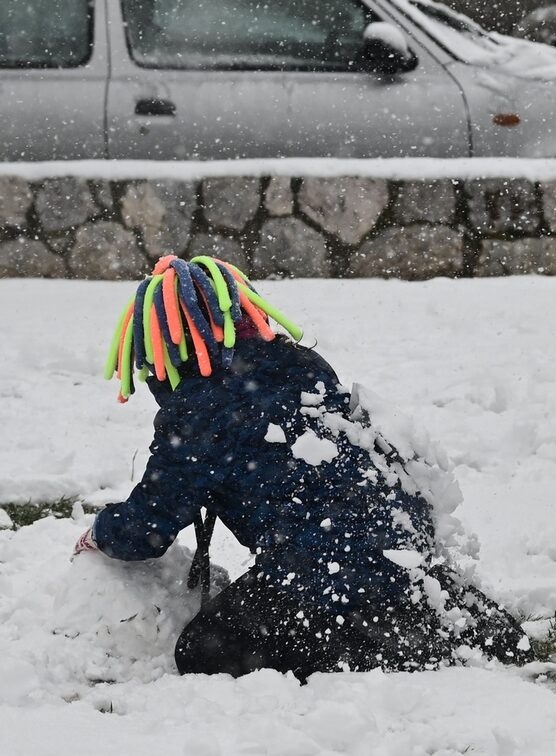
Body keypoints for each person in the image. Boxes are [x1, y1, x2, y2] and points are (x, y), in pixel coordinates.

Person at [73, 255, 530, 678]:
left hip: (317, 561)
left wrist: (99, 534)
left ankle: (374, 652)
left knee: (202, 650)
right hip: (395, 531)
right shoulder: (299, 365)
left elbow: (146, 529)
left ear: (160, 344)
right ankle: (436, 617)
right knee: (386, 579)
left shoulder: (198, 411)